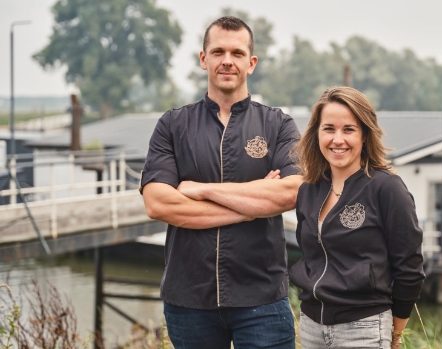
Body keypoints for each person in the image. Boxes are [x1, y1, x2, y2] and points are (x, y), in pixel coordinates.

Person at [141, 16, 302, 349]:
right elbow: (158, 203)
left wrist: (201, 190)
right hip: (189, 300)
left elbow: (292, 192)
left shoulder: (278, 125)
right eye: (218, 52)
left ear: (251, 62)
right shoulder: (172, 125)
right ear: (204, 59)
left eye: (237, 53)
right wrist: (252, 206)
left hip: (262, 298)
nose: (227, 60)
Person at [289, 86, 425, 349]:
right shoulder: (309, 189)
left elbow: (410, 266)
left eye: (348, 129)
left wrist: (395, 332)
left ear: (364, 134)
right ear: (317, 134)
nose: (337, 139)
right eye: (329, 129)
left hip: (363, 327)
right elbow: (310, 256)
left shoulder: (386, 188)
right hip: (311, 325)